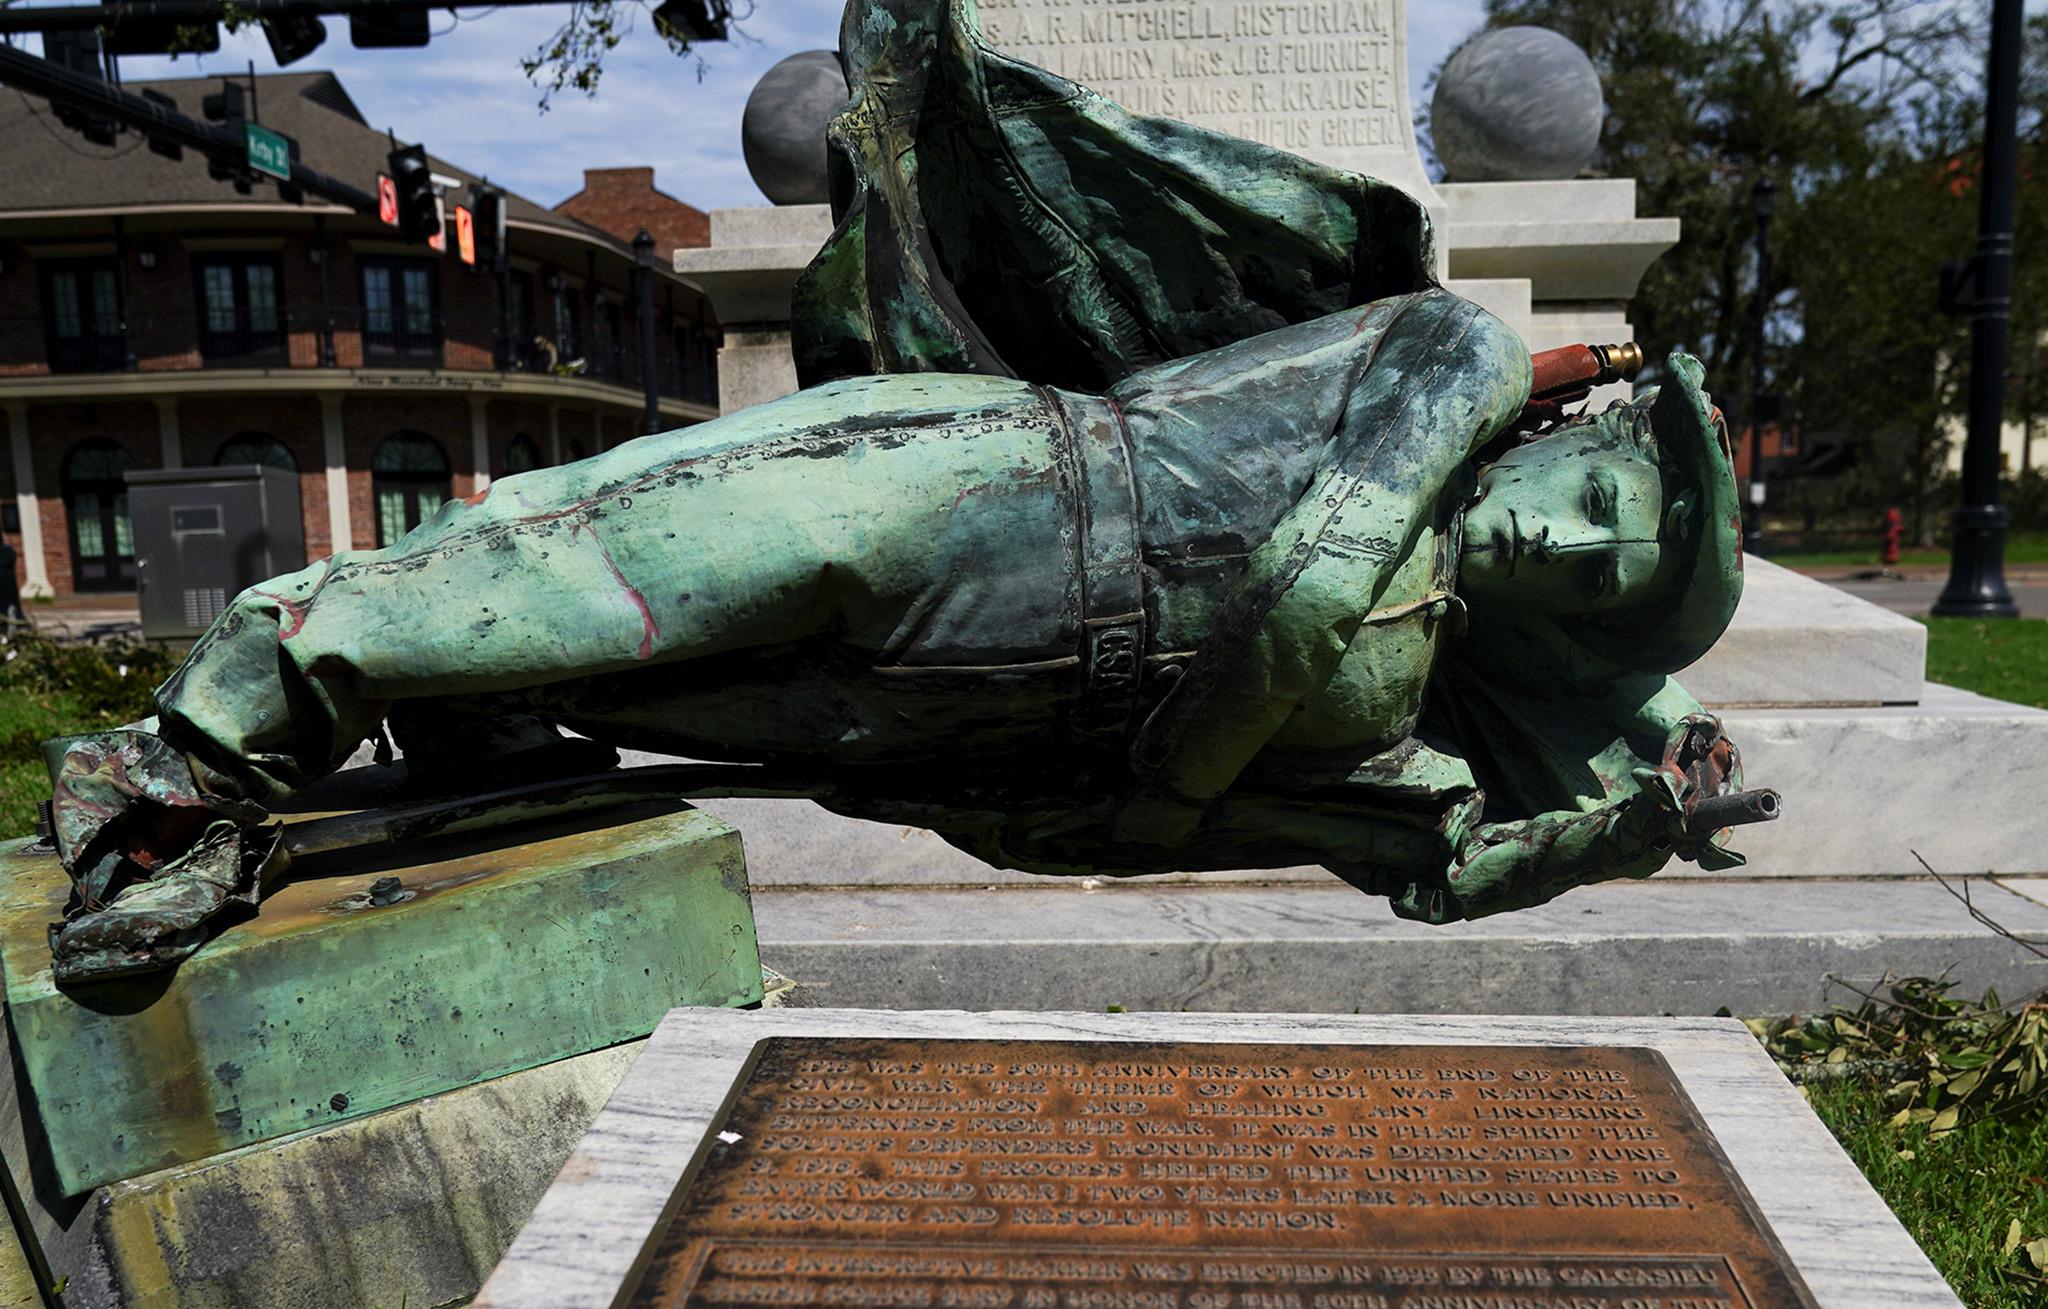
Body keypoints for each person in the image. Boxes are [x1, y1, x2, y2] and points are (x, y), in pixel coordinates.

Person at [45, 0, 1759, 982]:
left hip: (981, 715)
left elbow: (1391, 859)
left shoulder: (1413, 714)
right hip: (995, 495)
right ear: (1577, 433)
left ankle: (461, 731)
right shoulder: (1446, 360)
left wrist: (1605, 827)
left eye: (1601, 580)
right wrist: (1225, 741)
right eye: (1609, 495)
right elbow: (1313, 577)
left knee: (648, 688)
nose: (1568, 537)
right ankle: (183, 772)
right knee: (600, 557)